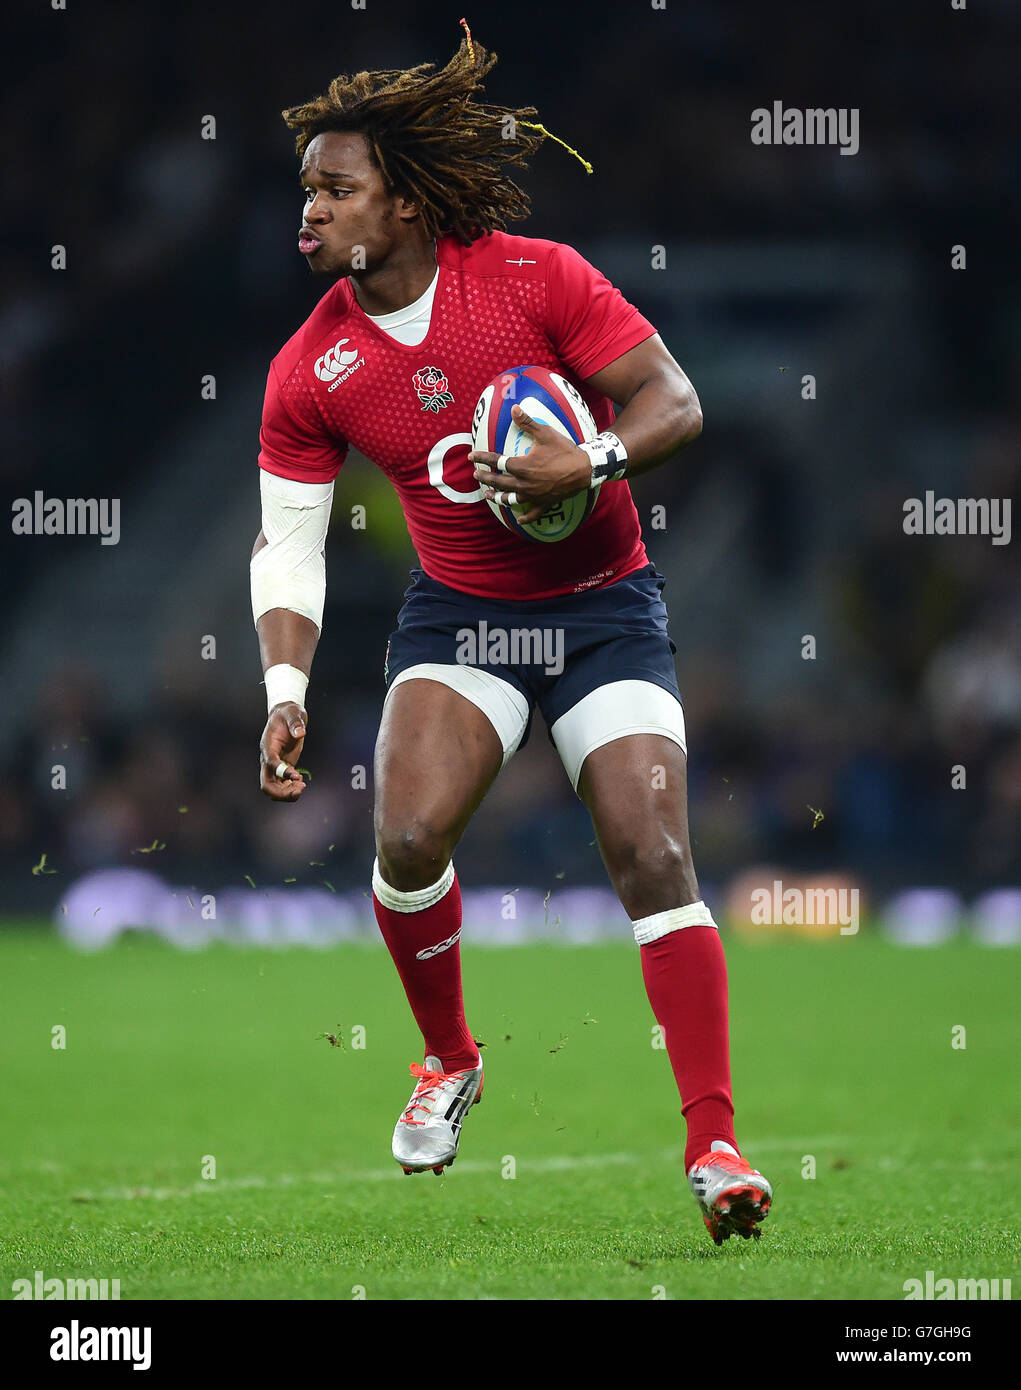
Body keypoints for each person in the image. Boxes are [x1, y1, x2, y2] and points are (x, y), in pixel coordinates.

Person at [250, 28, 771, 1245]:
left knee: (653, 856)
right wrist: (283, 683)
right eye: (307, 189)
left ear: (409, 198)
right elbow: (288, 541)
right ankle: (447, 1055)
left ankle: (715, 1145)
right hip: (464, 614)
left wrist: (582, 458)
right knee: (406, 831)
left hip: (602, 609)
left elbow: (673, 403)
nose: (310, 210)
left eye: (337, 187)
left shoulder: (534, 279)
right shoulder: (307, 367)